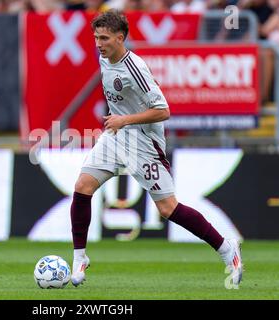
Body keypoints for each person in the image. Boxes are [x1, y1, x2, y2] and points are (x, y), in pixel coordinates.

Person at [69, 10, 243, 287]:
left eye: (104, 38)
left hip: (143, 142)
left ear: (120, 37)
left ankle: (226, 248)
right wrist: (120, 122)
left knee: (167, 208)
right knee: (82, 186)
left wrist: (125, 119)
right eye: (95, 38)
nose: (98, 44)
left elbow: (163, 111)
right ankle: (80, 260)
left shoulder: (134, 69)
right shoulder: (104, 57)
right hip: (116, 136)